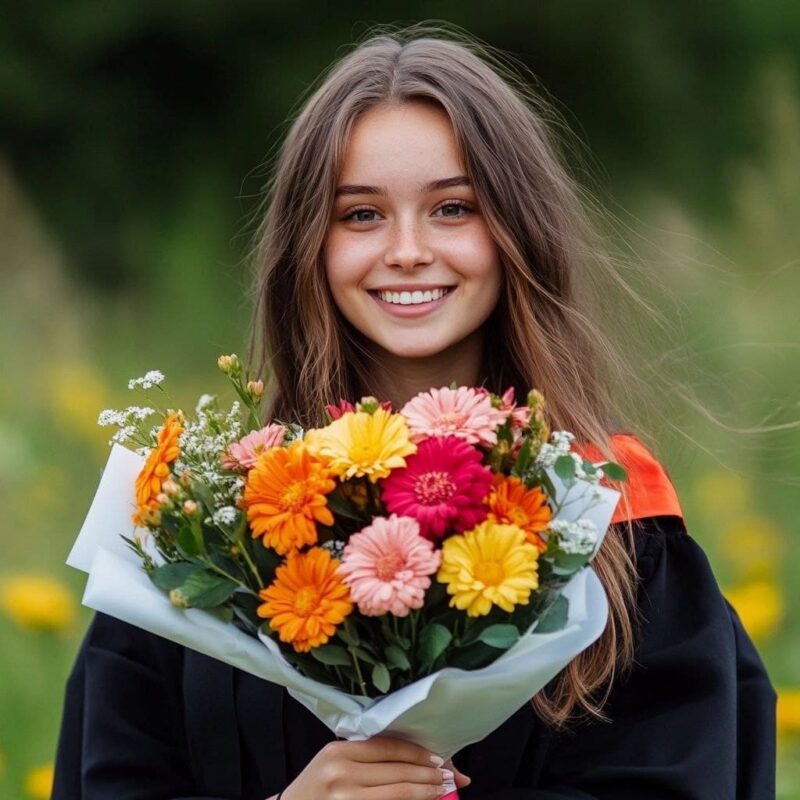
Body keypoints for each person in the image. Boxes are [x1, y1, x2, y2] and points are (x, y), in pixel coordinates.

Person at [53, 24, 777, 800]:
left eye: (453, 208)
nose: (406, 250)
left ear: (519, 230)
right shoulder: (204, 544)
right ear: (309, 244)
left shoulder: (608, 526)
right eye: (360, 215)